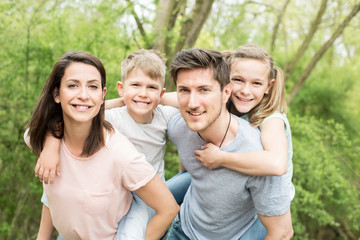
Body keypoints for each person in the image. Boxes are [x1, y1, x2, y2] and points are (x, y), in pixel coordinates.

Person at [30, 49, 183, 239]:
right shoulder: (110, 117)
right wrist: (51, 145)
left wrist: (155, 98)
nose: (143, 94)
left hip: (146, 194)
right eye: (135, 85)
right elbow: (70, 116)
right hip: (111, 191)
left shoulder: (161, 117)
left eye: (151, 88)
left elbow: (189, 101)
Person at [165, 48, 293, 239]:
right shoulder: (213, 105)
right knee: (154, 197)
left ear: (269, 86)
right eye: (238, 80)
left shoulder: (271, 118)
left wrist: (221, 158)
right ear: (227, 84)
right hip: (209, 183)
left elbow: (276, 164)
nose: (245, 90)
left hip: (261, 187)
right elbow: (165, 97)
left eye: (256, 83)